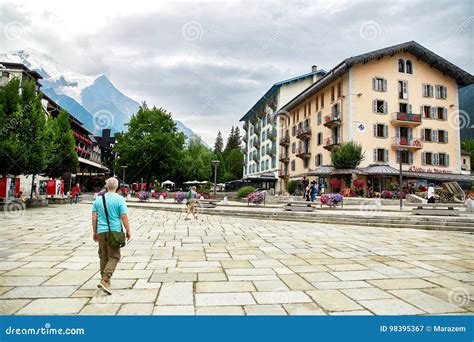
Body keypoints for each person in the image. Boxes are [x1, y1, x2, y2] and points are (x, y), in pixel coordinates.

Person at [92, 177, 131, 295]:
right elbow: (123, 216)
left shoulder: (98, 200)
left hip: (101, 231)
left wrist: (95, 232)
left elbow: (94, 218)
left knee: (103, 255)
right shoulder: (120, 199)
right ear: (117, 186)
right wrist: (128, 230)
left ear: (106, 186)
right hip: (114, 231)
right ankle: (105, 279)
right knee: (114, 256)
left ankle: (104, 280)